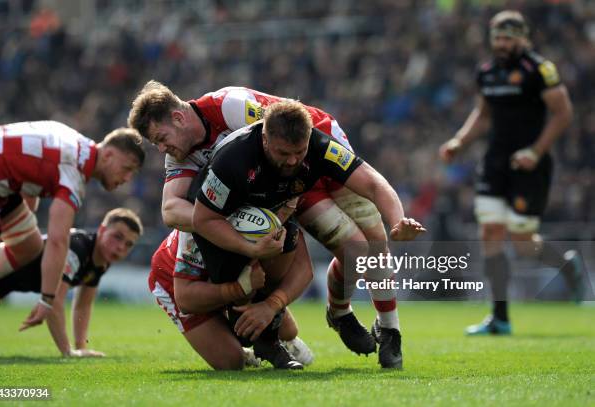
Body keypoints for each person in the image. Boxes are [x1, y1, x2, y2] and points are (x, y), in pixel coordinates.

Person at [128, 83, 410, 366]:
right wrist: (230, 220)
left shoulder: (230, 106)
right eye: (156, 144)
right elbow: (171, 211)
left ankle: (375, 323)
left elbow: (288, 138)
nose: (162, 148)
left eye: (161, 138)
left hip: (315, 150)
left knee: (375, 242)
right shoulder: (183, 157)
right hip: (283, 189)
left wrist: (399, 220)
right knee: (356, 251)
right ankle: (337, 315)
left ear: (177, 118)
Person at [191, 101, 425, 369]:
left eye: (299, 152)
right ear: (265, 139)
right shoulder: (235, 159)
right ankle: (261, 332)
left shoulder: (317, 145)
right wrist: (250, 250)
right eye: (283, 153)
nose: (292, 160)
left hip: (281, 210)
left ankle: (326, 318)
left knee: (339, 249)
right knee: (244, 312)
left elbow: (372, 182)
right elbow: (202, 219)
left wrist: (398, 220)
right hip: (223, 222)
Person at [439, 10, 579, 335]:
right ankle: (499, 317)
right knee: (490, 234)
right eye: (498, 38)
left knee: (522, 242)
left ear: (523, 38)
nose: (502, 44)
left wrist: (535, 151)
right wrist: (460, 140)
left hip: (529, 166)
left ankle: (567, 264)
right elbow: (483, 113)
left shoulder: (540, 70)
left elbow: (563, 113)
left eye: (508, 38)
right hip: (494, 163)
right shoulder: (487, 72)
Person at [0, 122, 145, 331]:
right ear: (108, 155)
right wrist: (47, 300)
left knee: (30, 244)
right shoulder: (74, 172)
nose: (127, 179)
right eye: (127, 169)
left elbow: (28, 171)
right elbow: (58, 240)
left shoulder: (75, 142)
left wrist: (18, 224)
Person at [149, 225, 314, 370]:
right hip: (173, 276)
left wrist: (272, 304)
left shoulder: (276, 204)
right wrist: (238, 289)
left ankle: (264, 340)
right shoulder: (195, 230)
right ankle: (240, 343)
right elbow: (185, 299)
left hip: (232, 271)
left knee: (288, 331)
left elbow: (304, 268)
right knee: (231, 361)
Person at [0, 208, 142, 356]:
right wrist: (68, 352)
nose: (121, 247)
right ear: (101, 230)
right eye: (117, 237)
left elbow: (83, 306)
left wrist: (81, 348)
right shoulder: (76, 247)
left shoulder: (101, 264)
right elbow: (54, 301)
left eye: (129, 244)